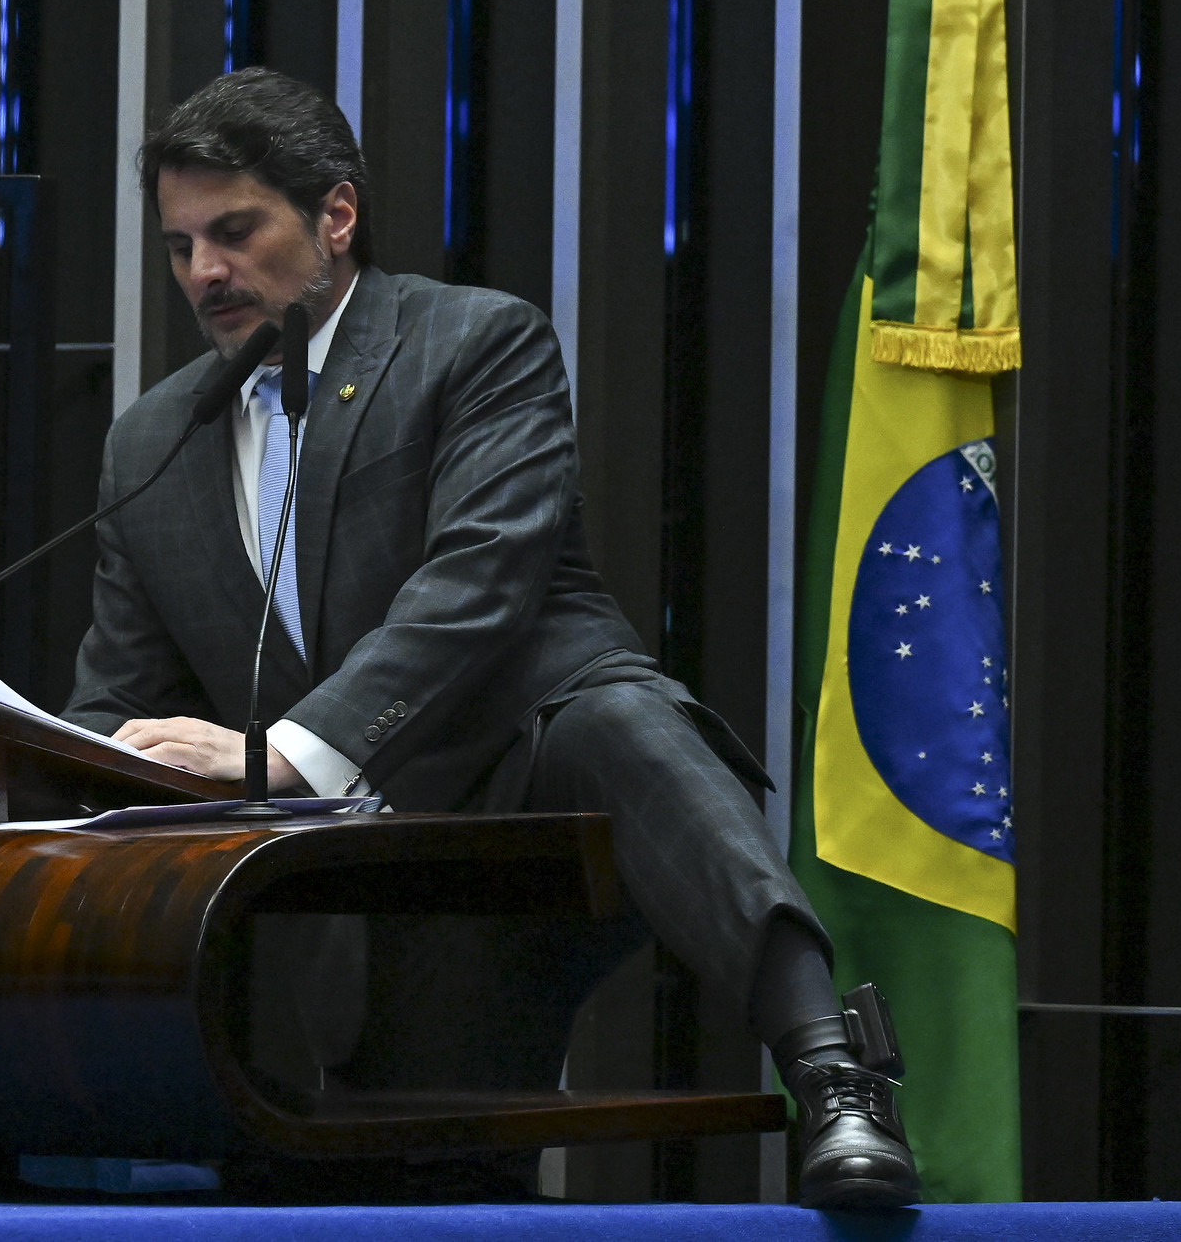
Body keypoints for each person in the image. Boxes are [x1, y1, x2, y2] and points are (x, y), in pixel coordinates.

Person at [62, 67, 919, 1209]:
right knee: (434, 1192)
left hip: (528, 774)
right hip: (346, 877)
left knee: (621, 716)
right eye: (180, 246)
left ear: (336, 215)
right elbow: (115, 703)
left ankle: (834, 1070)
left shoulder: (474, 342)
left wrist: (285, 751)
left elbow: (478, 585)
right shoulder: (151, 441)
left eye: (234, 232)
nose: (204, 272)